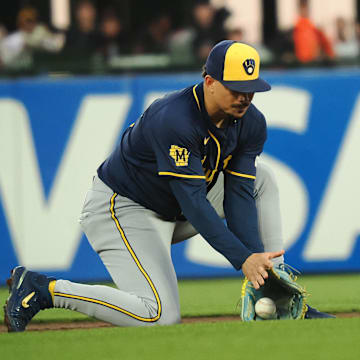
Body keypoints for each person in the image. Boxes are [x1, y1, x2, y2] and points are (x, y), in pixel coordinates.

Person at [4, 40, 333, 332]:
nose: (245, 97)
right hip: (124, 209)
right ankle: (43, 289)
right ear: (209, 82)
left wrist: (257, 266)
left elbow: (239, 194)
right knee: (159, 315)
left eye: (250, 88)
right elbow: (194, 204)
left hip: (173, 208)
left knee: (263, 180)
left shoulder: (251, 122)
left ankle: (279, 297)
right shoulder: (175, 118)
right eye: (235, 87)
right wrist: (241, 259)